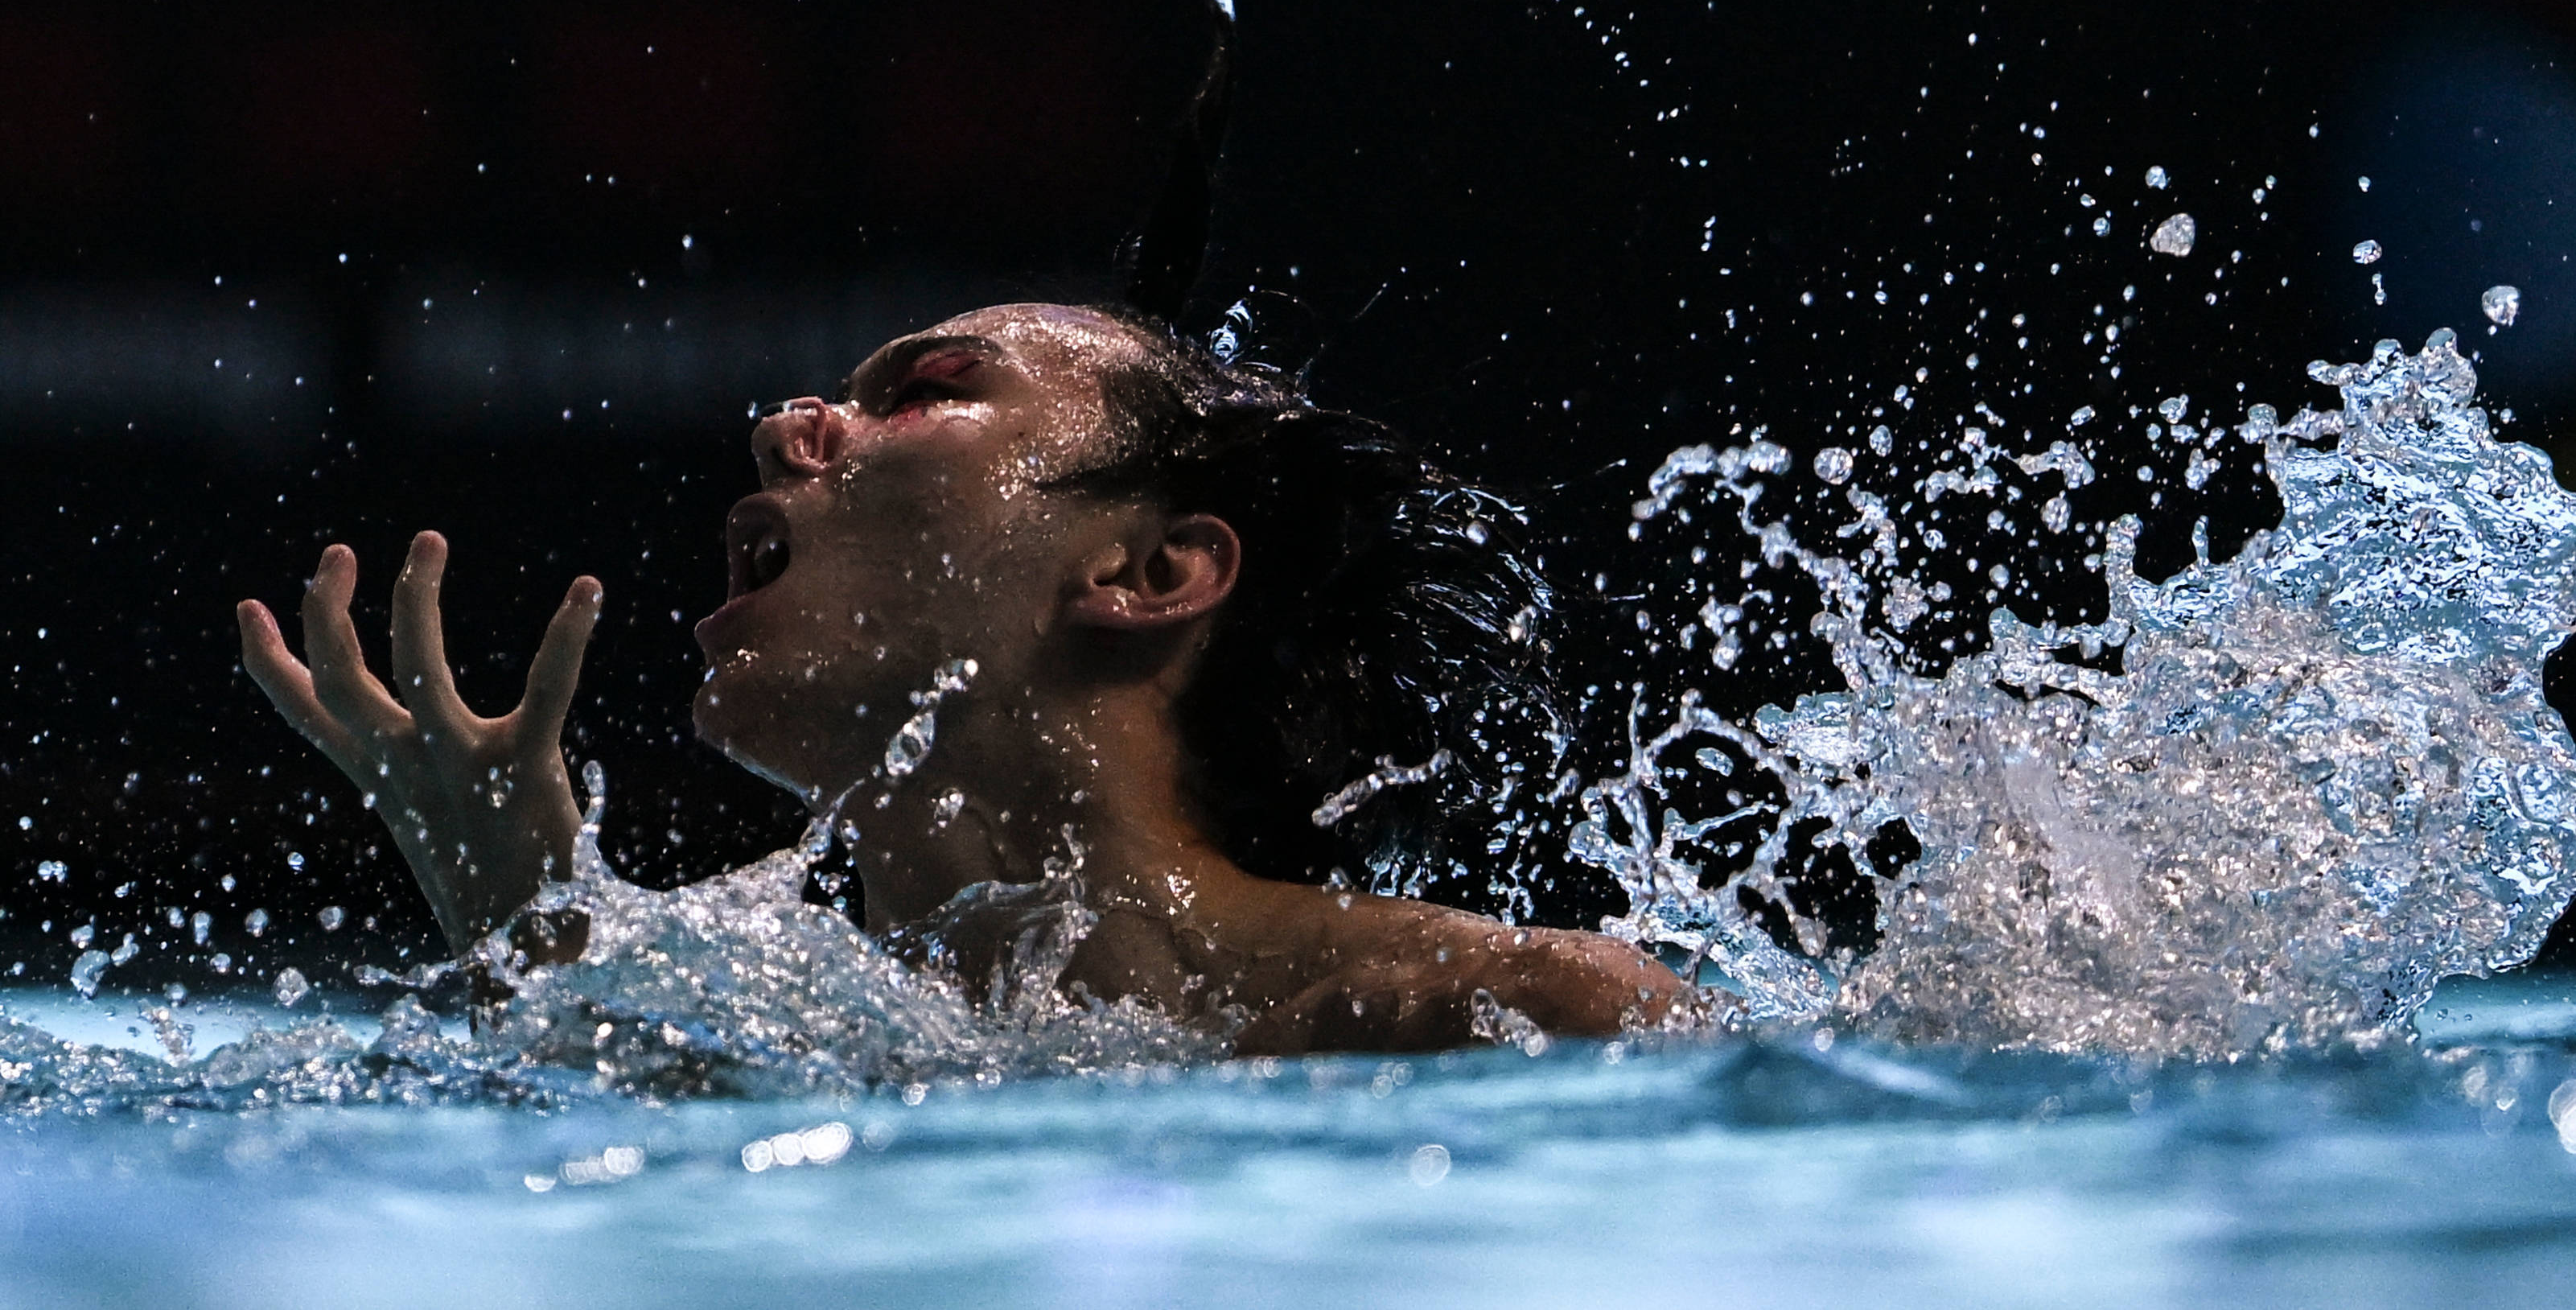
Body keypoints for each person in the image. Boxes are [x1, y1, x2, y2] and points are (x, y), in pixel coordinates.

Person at [235, 302, 1689, 1053]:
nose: (783, 427)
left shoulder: (1518, 1015)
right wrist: (515, 934)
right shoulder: (785, 1062)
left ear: (1150, 573)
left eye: (921, 394)